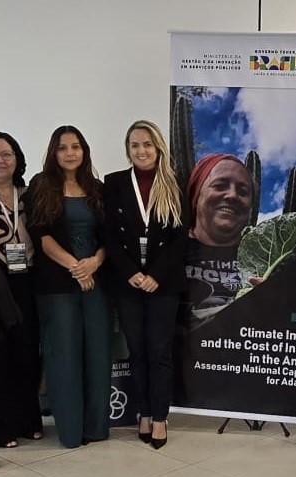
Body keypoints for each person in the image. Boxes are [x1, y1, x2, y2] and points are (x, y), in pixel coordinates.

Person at [26, 125, 111, 449]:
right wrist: (76, 267)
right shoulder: (41, 185)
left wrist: (94, 263)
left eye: (76, 146)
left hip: (96, 282)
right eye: (63, 147)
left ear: (84, 151)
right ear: (54, 152)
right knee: (64, 358)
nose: (70, 153)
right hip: (57, 284)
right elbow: (41, 236)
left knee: (97, 356)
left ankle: (96, 428)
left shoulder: (98, 190)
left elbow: (109, 240)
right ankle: (72, 432)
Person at [103, 120, 187, 450]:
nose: (142, 150)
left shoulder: (175, 182)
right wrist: (130, 273)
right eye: (135, 145)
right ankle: (144, 412)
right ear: (128, 150)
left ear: (158, 147)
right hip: (128, 282)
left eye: (147, 144)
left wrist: (155, 275)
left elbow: (182, 237)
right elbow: (108, 236)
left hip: (162, 283)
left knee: (159, 352)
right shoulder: (113, 183)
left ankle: (161, 416)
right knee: (137, 351)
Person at [0, 131, 44, 447]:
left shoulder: (28, 194)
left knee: (26, 352)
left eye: (7, 154)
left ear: (17, 159)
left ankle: (27, 421)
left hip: (25, 280)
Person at [182, 154, 254, 323]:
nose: (232, 195)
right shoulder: (169, 253)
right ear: (196, 195)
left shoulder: (264, 260)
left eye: (243, 191)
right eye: (220, 186)